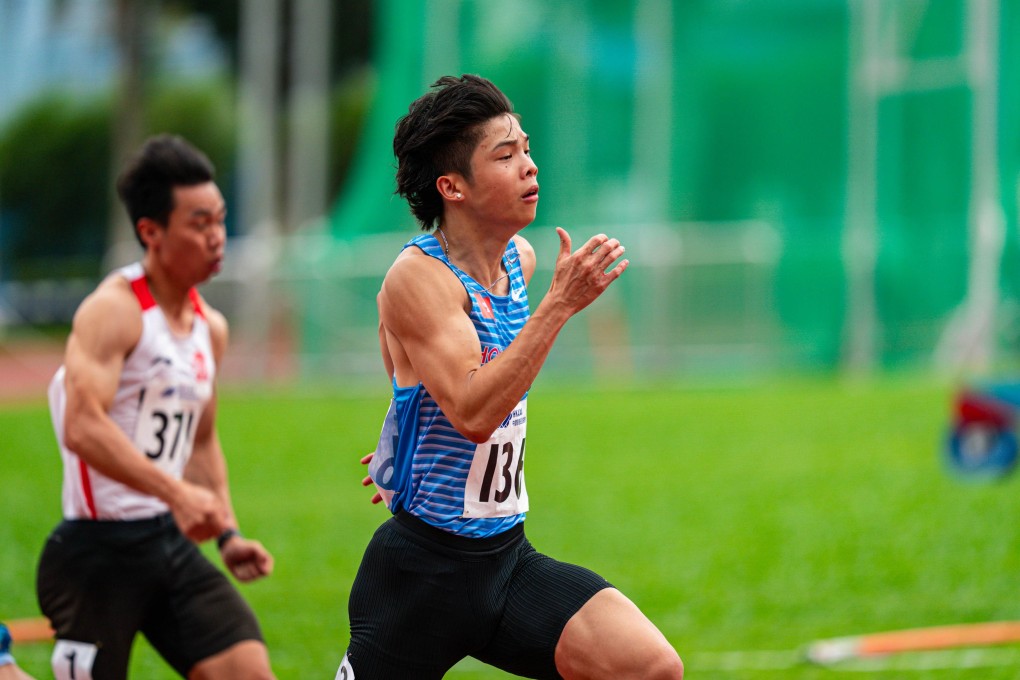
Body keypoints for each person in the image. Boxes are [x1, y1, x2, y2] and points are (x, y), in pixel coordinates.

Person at [341, 74, 683, 679]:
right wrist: (559, 306)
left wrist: (401, 441)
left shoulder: (519, 260)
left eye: (525, 148)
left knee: (649, 667)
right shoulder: (418, 277)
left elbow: (413, 372)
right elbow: (473, 414)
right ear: (452, 187)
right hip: (421, 576)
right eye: (505, 155)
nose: (529, 165)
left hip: (505, 561)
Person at [36, 134, 276, 680]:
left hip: (165, 542)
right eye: (199, 223)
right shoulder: (113, 311)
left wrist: (227, 533)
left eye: (220, 220)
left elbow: (201, 440)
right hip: (95, 551)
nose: (216, 237)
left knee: (248, 671)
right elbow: (81, 426)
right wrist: (176, 493)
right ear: (151, 232)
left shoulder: (210, 328)